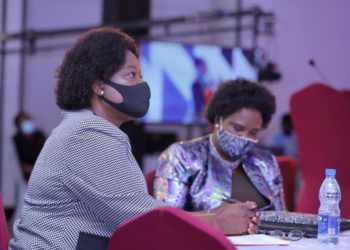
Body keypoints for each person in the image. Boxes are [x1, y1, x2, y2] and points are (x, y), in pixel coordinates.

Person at [9, 27, 259, 250]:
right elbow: (146, 222)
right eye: (131, 75)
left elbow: (142, 213)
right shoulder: (86, 136)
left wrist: (215, 213)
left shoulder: (94, 131)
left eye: (140, 75)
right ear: (99, 85)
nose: (142, 84)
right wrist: (217, 220)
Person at [153, 78, 286, 212]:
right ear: (218, 120)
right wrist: (217, 219)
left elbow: (283, 220)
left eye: (253, 132)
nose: (244, 137)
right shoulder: (182, 156)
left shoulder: (266, 162)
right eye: (238, 128)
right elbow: (166, 219)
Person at [13, 111, 46, 182]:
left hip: (42, 175)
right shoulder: (15, 141)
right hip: (24, 179)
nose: (28, 123)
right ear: (18, 126)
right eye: (25, 121)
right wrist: (34, 170)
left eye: (29, 120)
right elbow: (17, 163)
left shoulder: (39, 136)